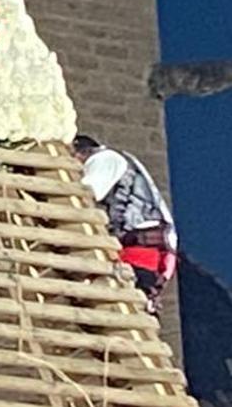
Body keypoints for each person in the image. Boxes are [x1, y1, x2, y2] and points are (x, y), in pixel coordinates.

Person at [74, 135, 178, 315]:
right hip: (142, 247)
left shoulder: (105, 159)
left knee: (124, 301)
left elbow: (85, 192)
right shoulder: (121, 162)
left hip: (140, 248)